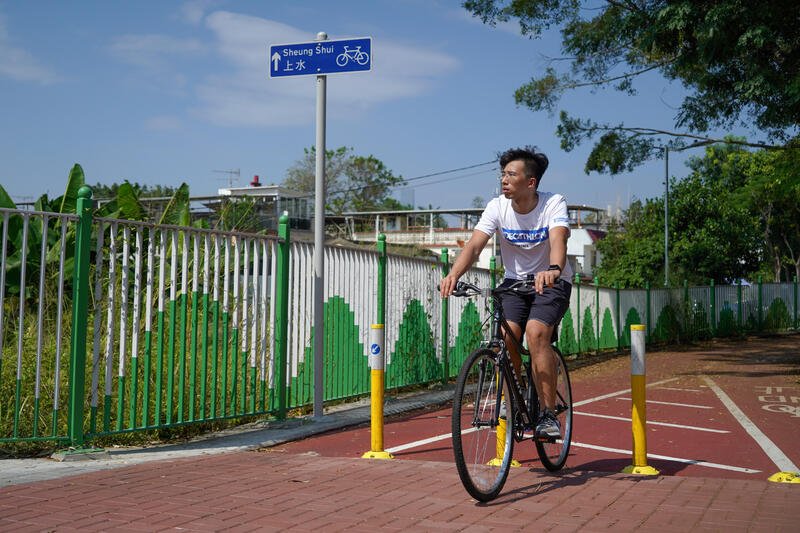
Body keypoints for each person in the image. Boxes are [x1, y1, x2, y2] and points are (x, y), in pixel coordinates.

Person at [440, 146, 573, 439]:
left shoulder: (553, 203)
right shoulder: (497, 207)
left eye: (511, 174)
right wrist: (453, 274)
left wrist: (552, 267)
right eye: (503, 174)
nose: (504, 179)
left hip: (552, 282)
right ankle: (517, 393)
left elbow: (559, 238)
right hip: (514, 282)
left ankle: (549, 415)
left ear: (530, 182)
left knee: (536, 333)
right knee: (504, 336)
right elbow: (474, 246)